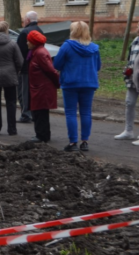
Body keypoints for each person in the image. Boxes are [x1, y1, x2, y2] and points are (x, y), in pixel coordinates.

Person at [53, 20, 101, 152]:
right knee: (86, 112)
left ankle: (73, 142)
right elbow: (98, 66)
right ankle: (85, 142)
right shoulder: (94, 48)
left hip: (70, 82)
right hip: (89, 82)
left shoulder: (67, 46)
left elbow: (56, 64)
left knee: (71, 113)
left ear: (72, 32)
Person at [26, 30, 59, 143]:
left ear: (34, 42)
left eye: (29, 41)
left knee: (40, 113)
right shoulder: (37, 52)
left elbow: (51, 71)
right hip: (39, 87)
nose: (27, 43)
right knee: (38, 112)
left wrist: (57, 83)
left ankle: (42, 136)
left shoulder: (40, 53)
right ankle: (41, 135)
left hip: (42, 89)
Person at [16, 11, 42, 123]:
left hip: (25, 68)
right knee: (33, 91)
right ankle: (33, 112)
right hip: (37, 67)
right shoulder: (40, 31)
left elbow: (20, 52)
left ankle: (26, 114)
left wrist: (18, 67)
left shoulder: (24, 32)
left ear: (27, 20)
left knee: (23, 91)